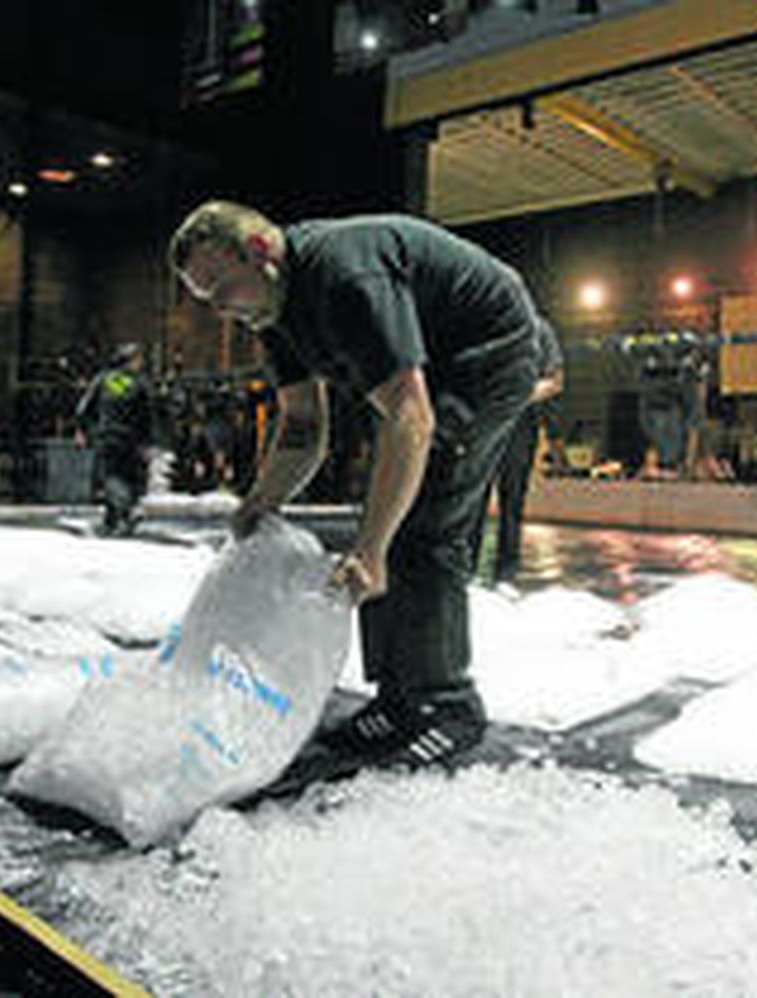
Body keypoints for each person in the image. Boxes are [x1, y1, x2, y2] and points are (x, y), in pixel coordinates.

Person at [168, 201, 551, 769]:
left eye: (222, 289)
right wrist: (260, 502)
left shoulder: (344, 276)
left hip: (487, 351)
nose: (222, 310)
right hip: (426, 366)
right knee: (382, 517)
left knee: (424, 526)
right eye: (208, 300)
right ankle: (398, 701)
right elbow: (301, 425)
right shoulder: (271, 314)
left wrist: (372, 549)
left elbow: (411, 417)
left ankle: (449, 706)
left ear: (260, 253)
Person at [467, 317, 562, 590]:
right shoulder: (481, 326)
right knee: (474, 498)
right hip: (483, 420)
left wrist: (516, 395)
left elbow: (554, 380)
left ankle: (506, 573)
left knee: (512, 499)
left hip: (519, 423)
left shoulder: (538, 328)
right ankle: (467, 571)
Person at [75, 342, 155, 536]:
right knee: (126, 477)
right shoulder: (140, 383)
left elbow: (84, 408)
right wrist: (147, 442)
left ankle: (124, 512)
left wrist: (82, 430)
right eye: (138, 360)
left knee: (110, 477)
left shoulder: (102, 380)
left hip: (106, 436)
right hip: (131, 439)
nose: (140, 363)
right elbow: (147, 414)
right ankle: (114, 520)